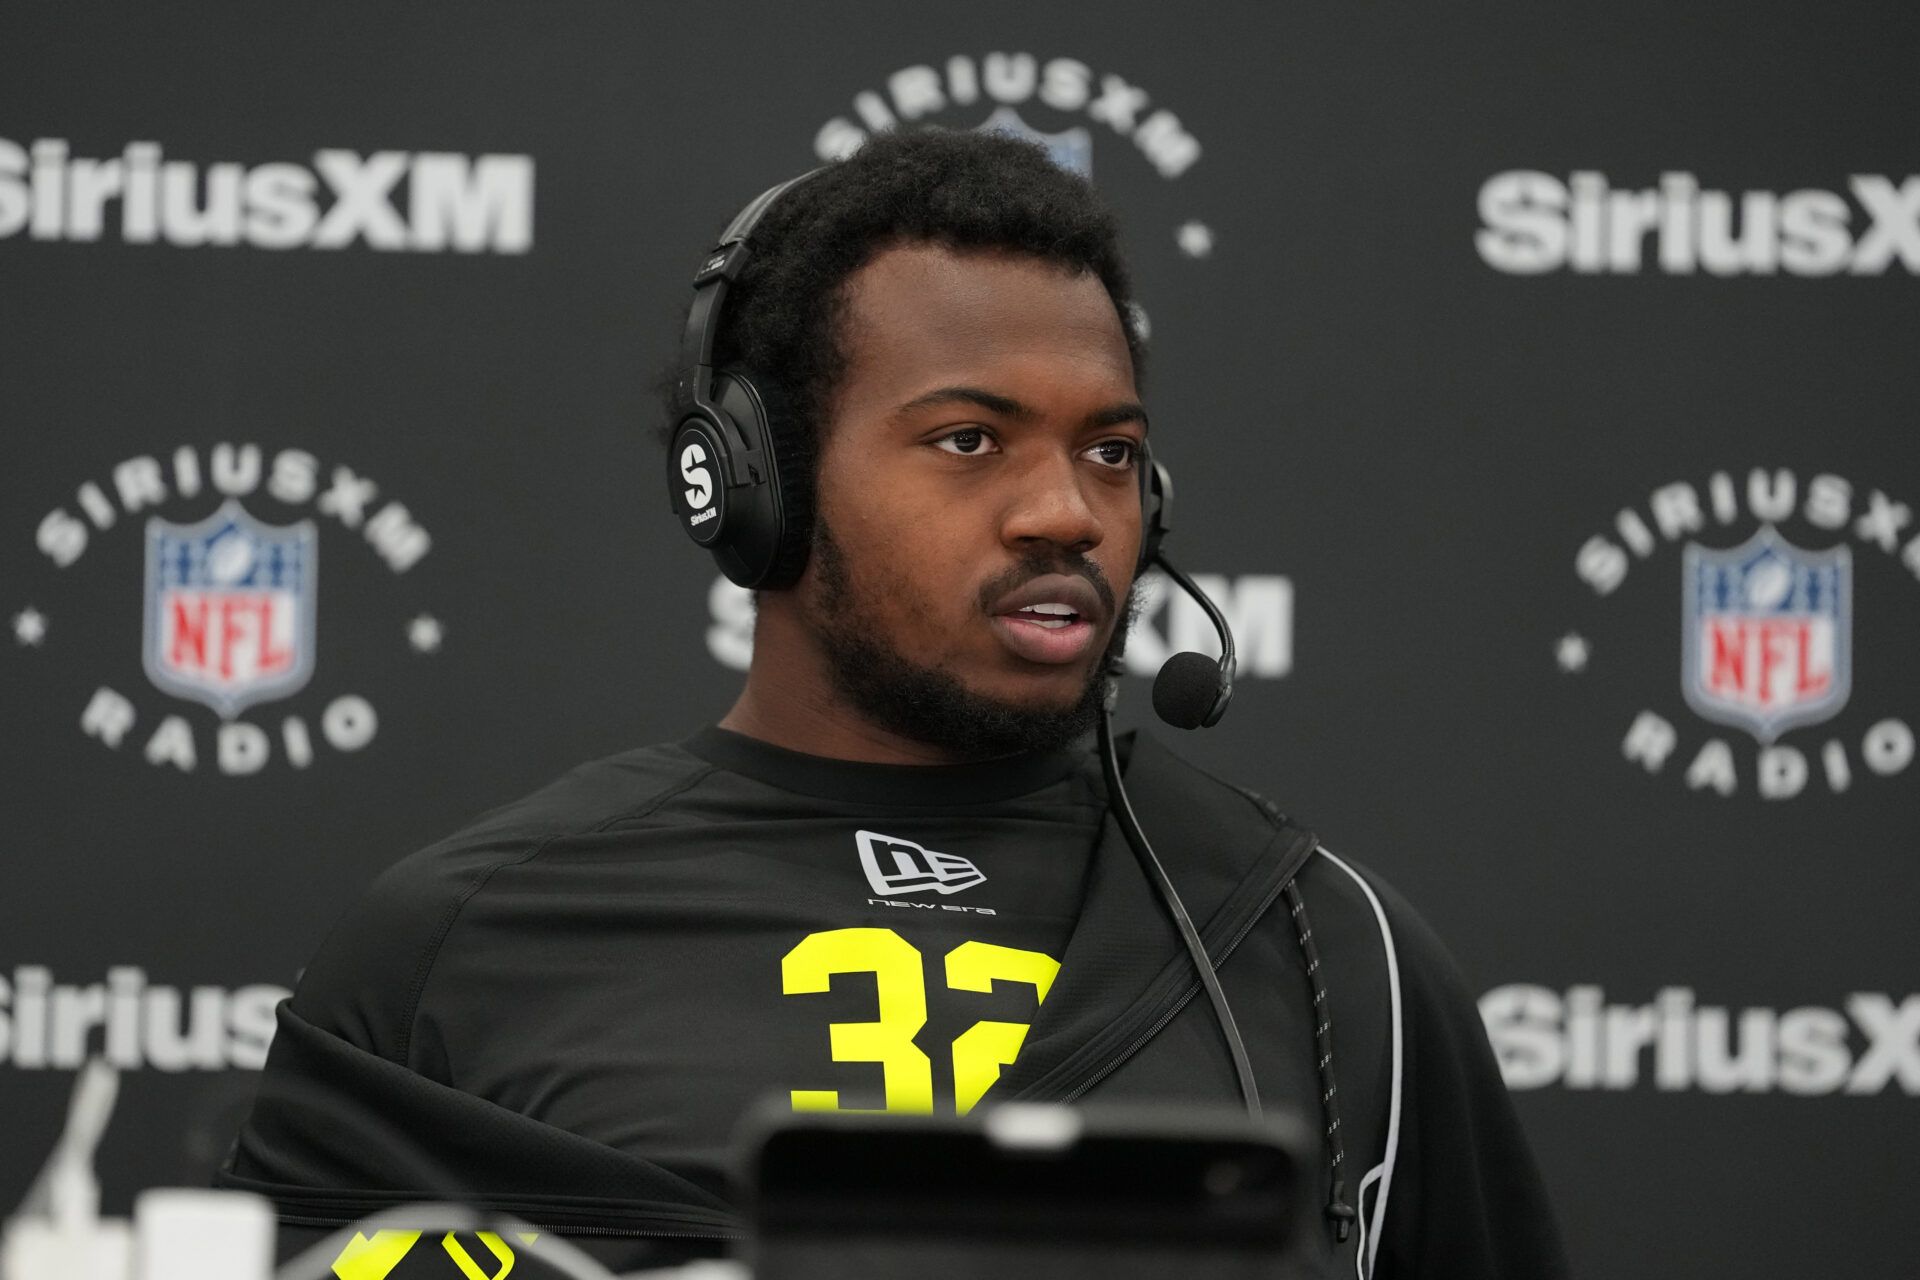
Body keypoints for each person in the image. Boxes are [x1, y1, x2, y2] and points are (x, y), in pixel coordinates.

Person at [222, 129, 1568, 1279]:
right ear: (756, 484)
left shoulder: (1336, 952)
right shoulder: (455, 947)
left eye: (1111, 452)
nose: (1066, 513)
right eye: (969, 440)